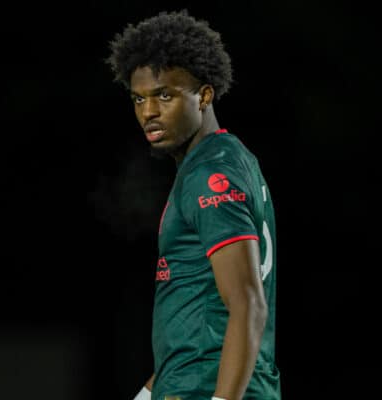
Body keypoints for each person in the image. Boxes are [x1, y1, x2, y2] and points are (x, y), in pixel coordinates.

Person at [105, 9, 281, 400]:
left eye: (164, 95)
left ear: (204, 96)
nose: (148, 112)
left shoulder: (211, 177)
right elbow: (198, 317)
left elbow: (248, 303)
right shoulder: (225, 160)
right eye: (138, 99)